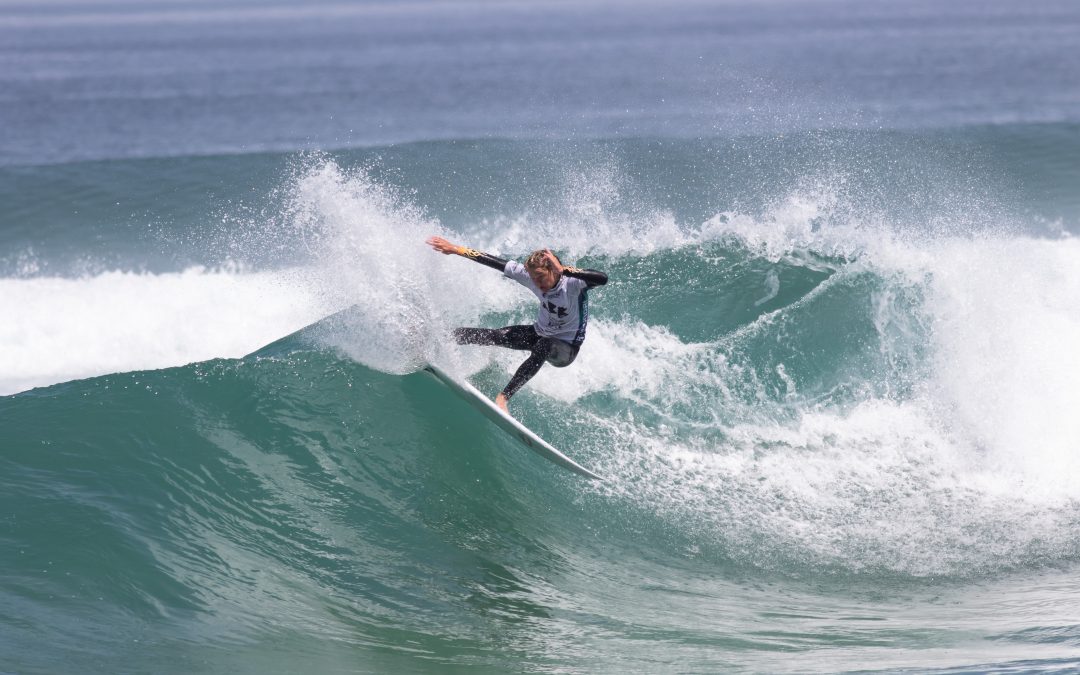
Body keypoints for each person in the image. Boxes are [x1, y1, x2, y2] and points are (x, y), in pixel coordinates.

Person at [426, 235, 608, 412]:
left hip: (566, 348)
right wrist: (456, 249)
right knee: (492, 335)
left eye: (541, 278)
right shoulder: (531, 277)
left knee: (544, 345)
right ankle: (431, 339)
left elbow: (602, 278)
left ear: (553, 270)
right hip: (539, 333)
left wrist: (564, 270)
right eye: (533, 278)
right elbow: (491, 260)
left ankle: (503, 398)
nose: (537, 283)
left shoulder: (573, 284)